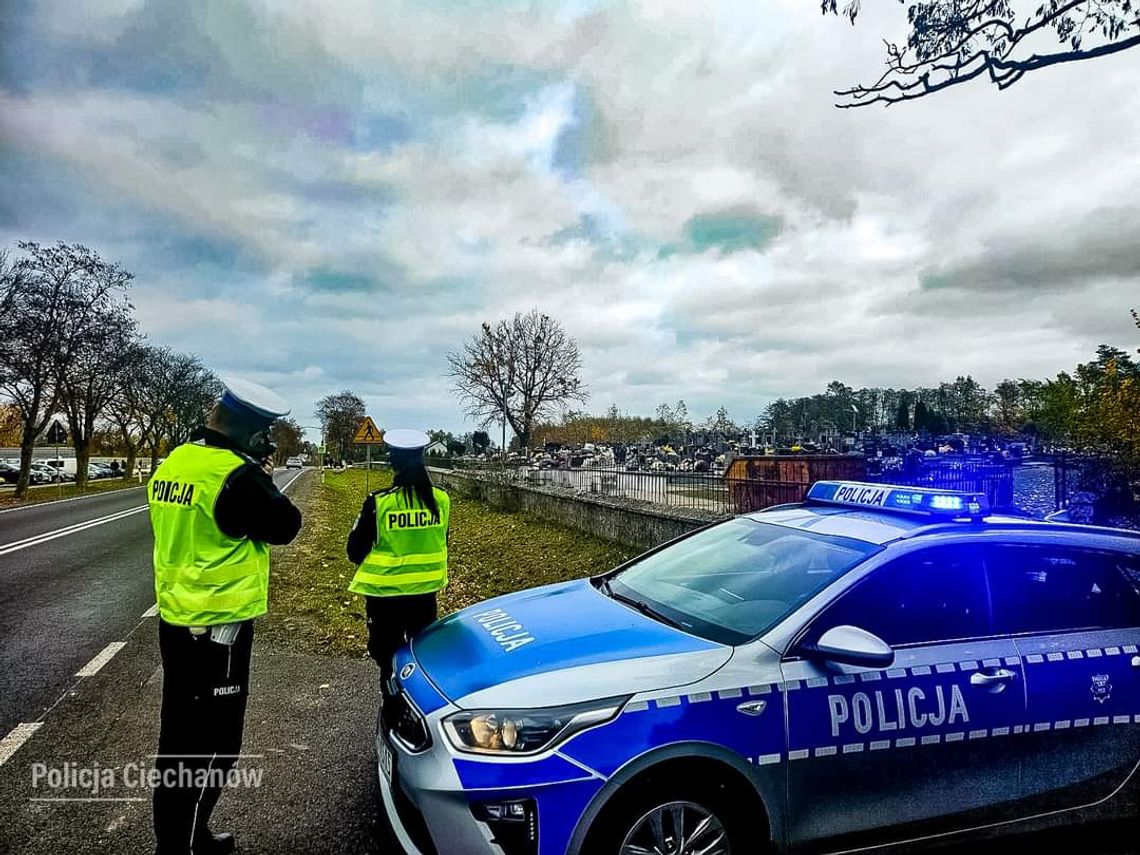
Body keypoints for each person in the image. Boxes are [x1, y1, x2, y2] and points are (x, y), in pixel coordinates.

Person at [148, 377, 302, 855]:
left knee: (177, 737)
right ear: (250, 433)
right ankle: (183, 846)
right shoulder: (236, 476)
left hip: (177, 621)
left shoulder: (178, 461)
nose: (267, 443)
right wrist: (263, 474)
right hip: (219, 634)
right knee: (213, 746)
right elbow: (286, 525)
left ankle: (183, 838)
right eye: (264, 434)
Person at [345, 429, 450, 687]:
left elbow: (353, 551)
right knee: (422, 658)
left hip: (385, 598)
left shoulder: (379, 503)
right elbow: (442, 540)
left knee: (388, 660)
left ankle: (392, 708)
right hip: (425, 594)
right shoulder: (441, 500)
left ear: (392, 462)